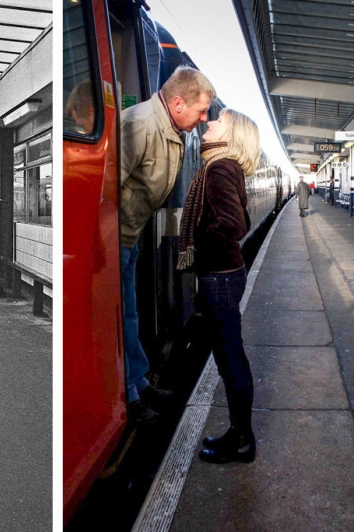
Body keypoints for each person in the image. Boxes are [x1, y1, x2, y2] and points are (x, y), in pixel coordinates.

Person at [121, 66, 216, 424]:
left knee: (130, 313)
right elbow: (106, 188)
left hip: (131, 235)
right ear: (178, 103)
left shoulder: (170, 127)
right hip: (116, 239)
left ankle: (139, 382)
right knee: (122, 315)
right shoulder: (141, 125)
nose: (204, 119)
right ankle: (130, 394)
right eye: (201, 110)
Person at [177, 108, 259, 464]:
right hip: (226, 274)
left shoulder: (219, 168)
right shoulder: (225, 166)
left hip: (220, 277)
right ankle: (239, 434)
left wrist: (200, 238)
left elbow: (234, 224)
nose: (208, 123)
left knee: (230, 359)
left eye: (218, 121)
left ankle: (242, 440)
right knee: (229, 356)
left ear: (232, 134)